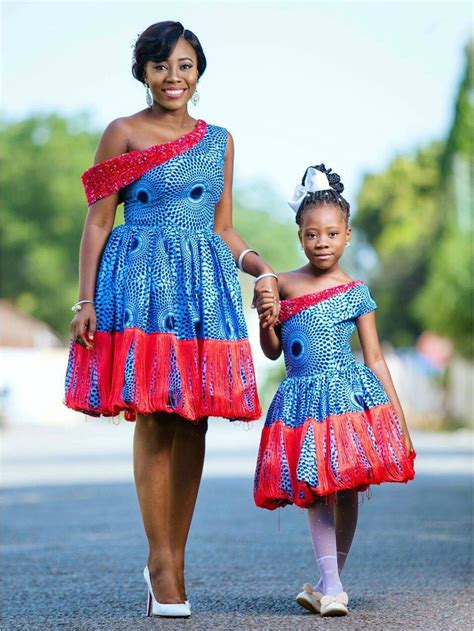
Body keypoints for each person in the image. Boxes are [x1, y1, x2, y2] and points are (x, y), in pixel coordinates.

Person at [64, 21, 279, 618]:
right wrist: (85, 300)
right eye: (162, 66)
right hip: (139, 286)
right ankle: (160, 562)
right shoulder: (122, 133)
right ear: (144, 73)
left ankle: (175, 558)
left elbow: (223, 227)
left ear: (199, 72)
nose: (174, 77)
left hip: (203, 290)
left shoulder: (221, 141)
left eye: (184, 66)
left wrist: (261, 270)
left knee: (194, 422)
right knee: (157, 416)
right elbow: (99, 222)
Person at [253, 164, 416, 617]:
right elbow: (273, 351)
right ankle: (333, 586)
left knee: (345, 488)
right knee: (318, 487)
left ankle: (330, 581)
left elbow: (376, 358)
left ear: (347, 235)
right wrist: (267, 320)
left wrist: (397, 423)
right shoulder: (283, 284)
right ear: (299, 236)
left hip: (346, 400)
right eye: (311, 234)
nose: (320, 242)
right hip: (303, 399)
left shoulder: (356, 290)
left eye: (330, 234)